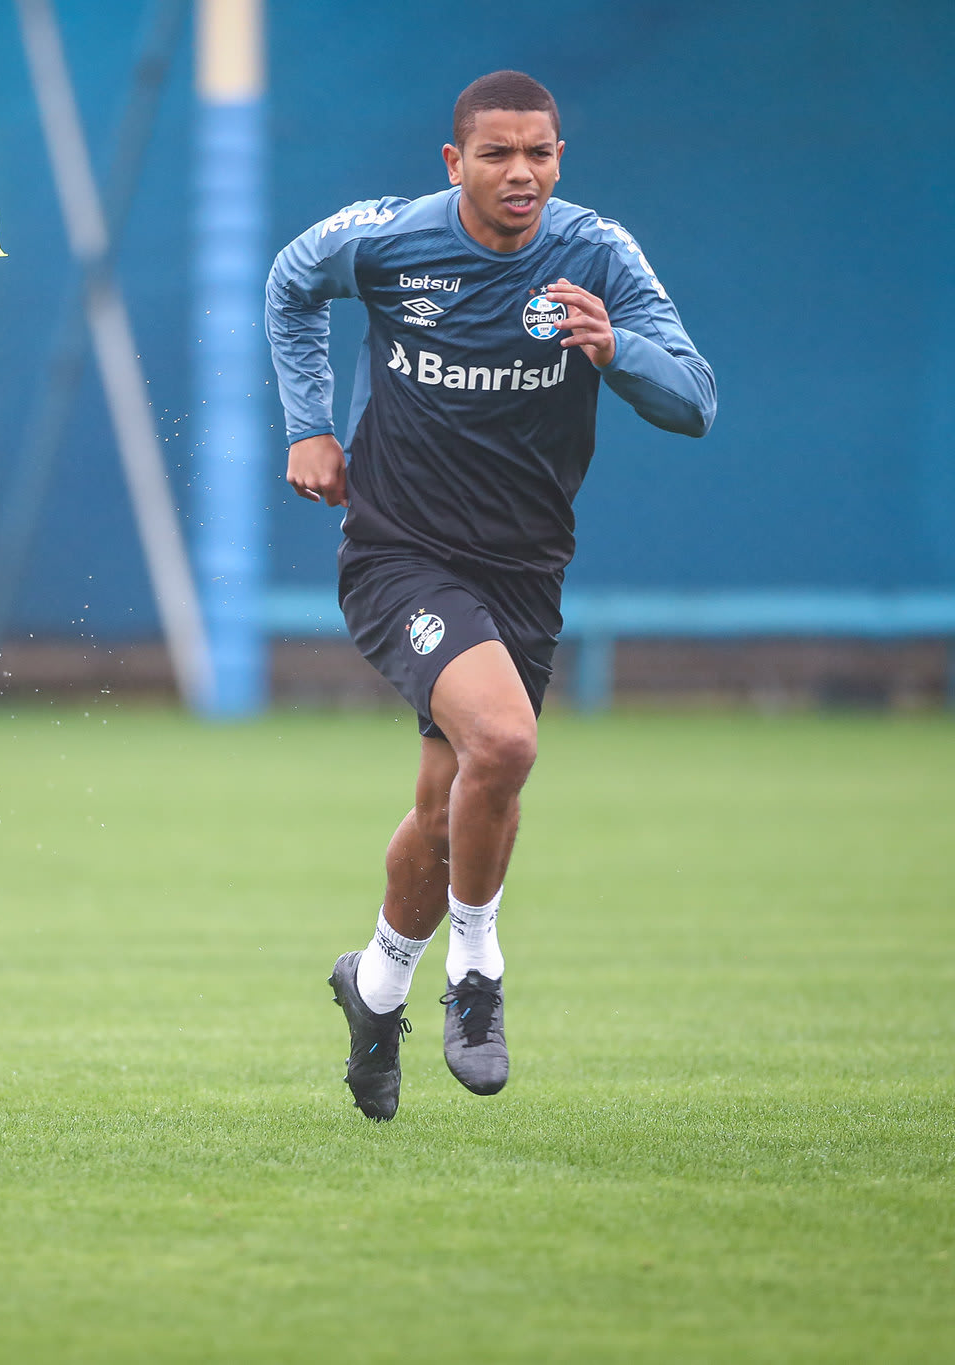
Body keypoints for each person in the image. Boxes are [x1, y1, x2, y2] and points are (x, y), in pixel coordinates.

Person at [265, 70, 715, 1118]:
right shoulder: (384, 240)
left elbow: (692, 399)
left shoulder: (595, 255)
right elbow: (290, 282)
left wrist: (617, 349)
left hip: (523, 567)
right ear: (452, 162)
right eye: (497, 154)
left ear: (559, 159)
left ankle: (373, 991)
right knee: (504, 745)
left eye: (540, 155)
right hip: (399, 553)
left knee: (444, 809)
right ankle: (476, 976)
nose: (521, 174)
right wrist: (307, 422)